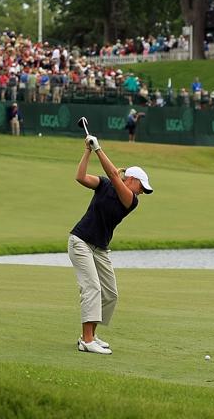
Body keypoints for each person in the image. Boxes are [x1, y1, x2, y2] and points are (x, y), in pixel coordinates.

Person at [69, 135, 153, 354]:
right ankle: (87, 340)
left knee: (110, 293)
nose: (142, 191)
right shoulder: (104, 185)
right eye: (141, 186)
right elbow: (80, 177)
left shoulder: (131, 200)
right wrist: (88, 150)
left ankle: (91, 335)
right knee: (92, 288)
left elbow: (114, 175)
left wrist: (99, 149)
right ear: (131, 179)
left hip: (100, 248)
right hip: (80, 241)